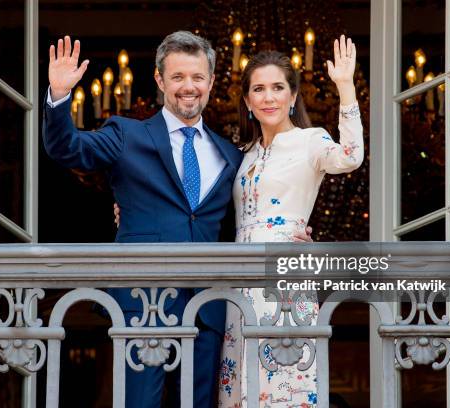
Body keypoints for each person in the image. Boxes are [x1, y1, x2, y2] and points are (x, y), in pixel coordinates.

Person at [43, 31, 242, 408]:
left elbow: (250, 212)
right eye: (179, 77)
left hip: (208, 306)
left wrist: (299, 230)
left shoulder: (229, 154)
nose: (189, 87)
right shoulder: (126, 133)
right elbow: (67, 148)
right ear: (159, 80)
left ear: (212, 82)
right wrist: (58, 96)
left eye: (198, 77)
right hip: (141, 301)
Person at [218, 37, 363, 407]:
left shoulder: (309, 141)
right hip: (239, 284)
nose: (269, 97)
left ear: (293, 96)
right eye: (259, 89)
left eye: (278, 87)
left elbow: (351, 157)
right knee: (242, 386)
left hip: (286, 276)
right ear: (248, 101)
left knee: (286, 384)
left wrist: (345, 87)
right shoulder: (244, 154)